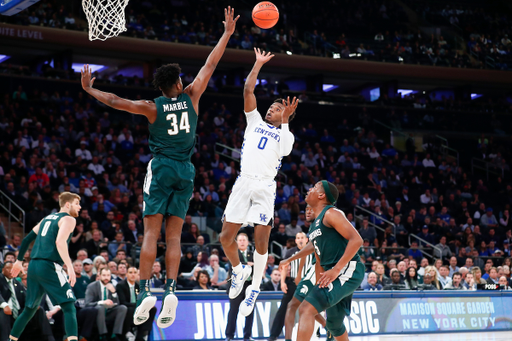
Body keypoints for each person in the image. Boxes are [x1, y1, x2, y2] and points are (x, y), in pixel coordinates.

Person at [81, 7, 239, 329]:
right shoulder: (193, 95)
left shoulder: (152, 107)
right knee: (175, 236)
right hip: (186, 170)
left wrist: (89, 89)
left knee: (151, 233)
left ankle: (144, 292)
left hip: (163, 168)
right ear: (179, 82)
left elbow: (115, 100)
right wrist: (226, 34)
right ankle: (170, 289)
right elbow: (210, 64)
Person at [219, 47, 298, 317]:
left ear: (284, 116)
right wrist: (257, 64)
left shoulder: (286, 135)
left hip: (265, 186)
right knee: (225, 237)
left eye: (277, 109)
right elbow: (248, 92)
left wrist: (286, 120)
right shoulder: (253, 121)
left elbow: (286, 150)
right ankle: (239, 270)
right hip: (243, 182)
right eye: (272, 107)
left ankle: (254, 289)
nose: (271, 110)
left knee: (261, 241)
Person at [279, 181, 364, 341]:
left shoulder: (331, 213)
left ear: (321, 195)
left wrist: (336, 269)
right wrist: (290, 259)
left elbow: (357, 240)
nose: (310, 189)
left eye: (315, 187)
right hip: (331, 272)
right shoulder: (314, 226)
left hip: (347, 270)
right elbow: (315, 249)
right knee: (334, 324)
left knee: (306, 308)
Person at [9, 192, 82, 341]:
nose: (79, 207)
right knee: (69, 306)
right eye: (77, 203)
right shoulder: (69, 219)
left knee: (29, 310)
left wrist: (19, 260)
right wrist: (70, 266)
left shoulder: (47, 218)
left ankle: (11, 340)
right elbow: (60, 243)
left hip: (34, 266)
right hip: (49, 265)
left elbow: (27, 239)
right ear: (67, 204)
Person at [269, 207, 327, 341]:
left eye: (302, 237)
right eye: (298, 238)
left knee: (312, 309)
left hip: (310, 283)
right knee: (284, 309)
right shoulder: (290, 252)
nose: (300, 239)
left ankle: (320, 331)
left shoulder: (313, 251)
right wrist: (282, 282)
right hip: (292, 282)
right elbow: (284, 268)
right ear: (295, 241)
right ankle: (274, 336)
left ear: (306, 240)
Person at [85, 268, 127, 340]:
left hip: (109, 312)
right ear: (100, 275)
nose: (106, 277)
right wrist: (102, 302)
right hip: (96, 312)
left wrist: (113, 292)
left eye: (108, 275)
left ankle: (115, 334)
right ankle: (102, 334)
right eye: (104, 275)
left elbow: (117, 304)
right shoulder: (92, 286)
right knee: (101, 307)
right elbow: (87, 303)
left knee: (123, 308)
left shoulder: (112, 286)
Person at [117, 266, 156, 341]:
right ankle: (127, 332)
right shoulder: (120, 285)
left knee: (152, 309)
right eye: (130, 273)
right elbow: (123, 302)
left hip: (136, 308)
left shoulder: (139, 286)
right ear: (126, 275)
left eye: (135, 273)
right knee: (131, 309)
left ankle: (143, 333)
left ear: (138, 275)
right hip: (125, 308)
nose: (133, 275)